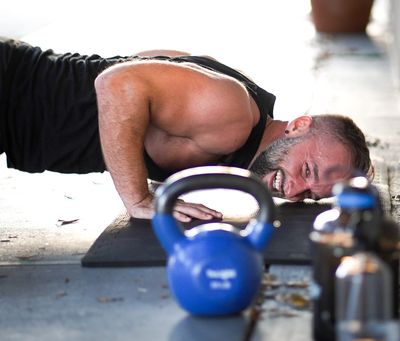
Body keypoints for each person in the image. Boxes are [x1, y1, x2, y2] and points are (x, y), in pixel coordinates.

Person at [0, 38, 372, 221]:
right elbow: (116, 84)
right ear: (298, 126)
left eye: (308, 195)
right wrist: (138, 200)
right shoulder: (234, 117)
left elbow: (150, 60)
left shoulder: (240, 111)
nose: (291, 190)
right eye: (306, 171)